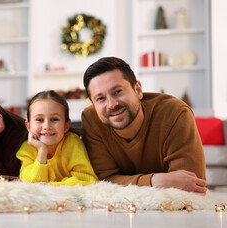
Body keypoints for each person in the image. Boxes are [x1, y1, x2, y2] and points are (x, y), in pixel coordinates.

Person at [81, 56, 207, 193]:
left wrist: (128, 182)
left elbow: (192, 184)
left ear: (138, 90)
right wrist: (154, 181)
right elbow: (104, 181)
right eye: (100, 98)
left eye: (118, 92)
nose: (112, 105)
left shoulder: (175, 113)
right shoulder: (91, 119)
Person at [17, 90, 98, 186]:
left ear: (66, 126)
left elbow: (87, 180)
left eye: (54, 119)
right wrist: (42, 152)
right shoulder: (26, 149)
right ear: (28, 126)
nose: (47, 126)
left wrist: (52, 187)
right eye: (39, 120)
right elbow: (29, 183)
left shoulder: (72, 143)